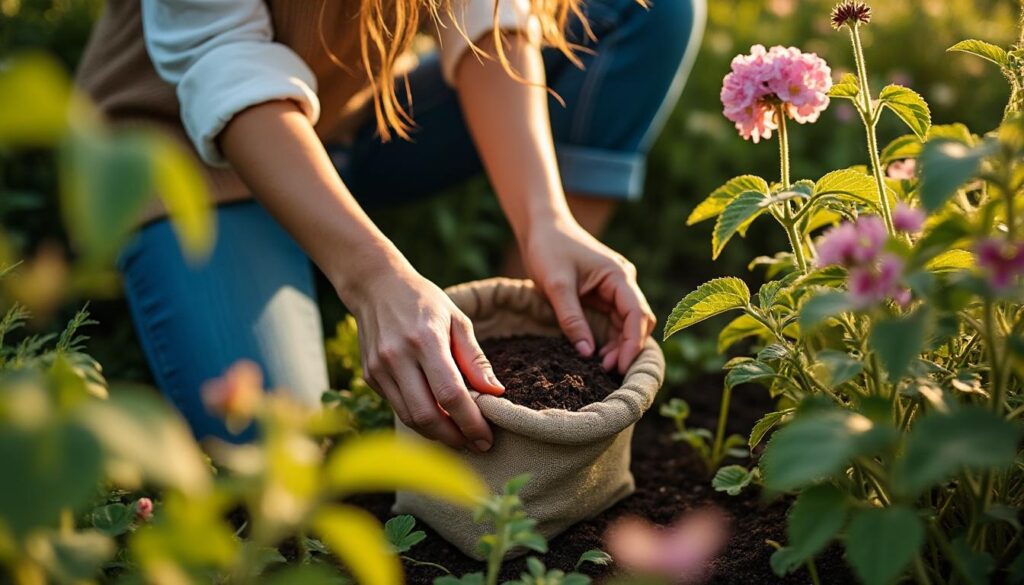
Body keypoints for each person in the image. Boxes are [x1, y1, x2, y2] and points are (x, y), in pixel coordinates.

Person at [74, 0, 705, 449]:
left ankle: (532, 319)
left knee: (652, 6)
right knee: (276, 449)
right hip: (182, 149)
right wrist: (374, 278)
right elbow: (222, 62)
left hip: (348, 119)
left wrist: (546, 217)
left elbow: (485, 16)